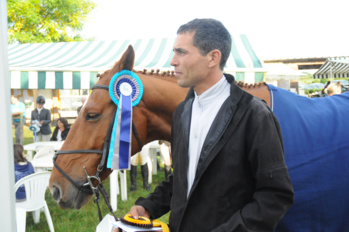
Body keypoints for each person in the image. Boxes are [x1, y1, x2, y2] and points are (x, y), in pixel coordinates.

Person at [120, 18, 294, 232]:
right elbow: (184, 178)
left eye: (182, 52)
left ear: (213, 57)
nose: (173, 61)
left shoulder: (254, 114)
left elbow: (275, 196)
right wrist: (148, 206)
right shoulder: (182, 112)